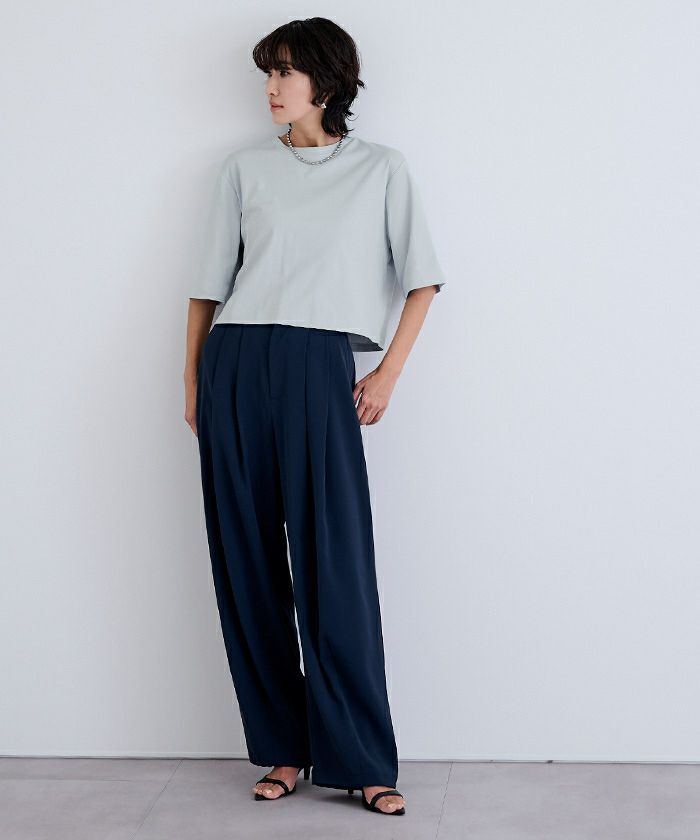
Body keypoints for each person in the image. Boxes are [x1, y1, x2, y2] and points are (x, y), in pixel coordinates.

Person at [183, 17, 446, 817]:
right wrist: (192, 382)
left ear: (327, 83)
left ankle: (363, 760)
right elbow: (208, 286)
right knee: (248, 566)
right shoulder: (243, 169)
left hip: (319, 367)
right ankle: (283, 749)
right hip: (235, 364)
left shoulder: (381, 169)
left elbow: (423, 280)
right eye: (268, 73)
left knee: (336, 567)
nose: (271, 88)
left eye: (285, 73)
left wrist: (388, 373)